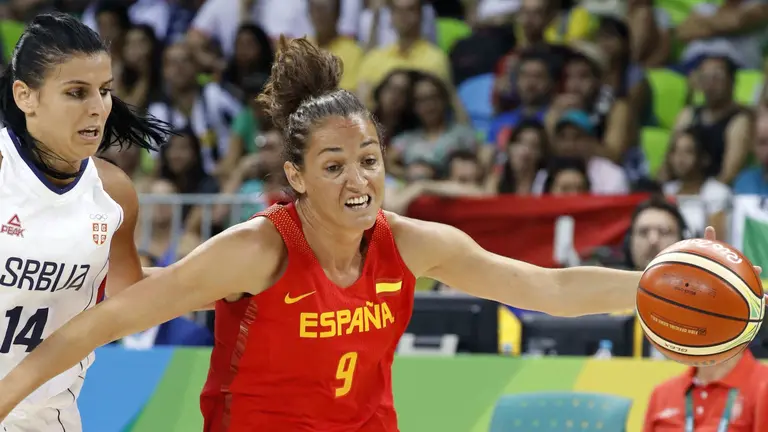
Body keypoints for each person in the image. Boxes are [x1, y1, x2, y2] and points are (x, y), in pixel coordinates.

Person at [0, 37, 726, 431]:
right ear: (297, 176)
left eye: (371, 160)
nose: (360, 181)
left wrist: (654, 285)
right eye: (335, 164)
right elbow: (100, 325)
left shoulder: (409, 240)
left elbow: (542, 286)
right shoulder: (258, 250)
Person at [0, 13, 171, 432]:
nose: (98, 108)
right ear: (26, 96)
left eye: (105, 91)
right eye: (77, 92)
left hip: (47, 417)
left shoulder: (113, 192)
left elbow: (129, 299)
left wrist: (229, 283)